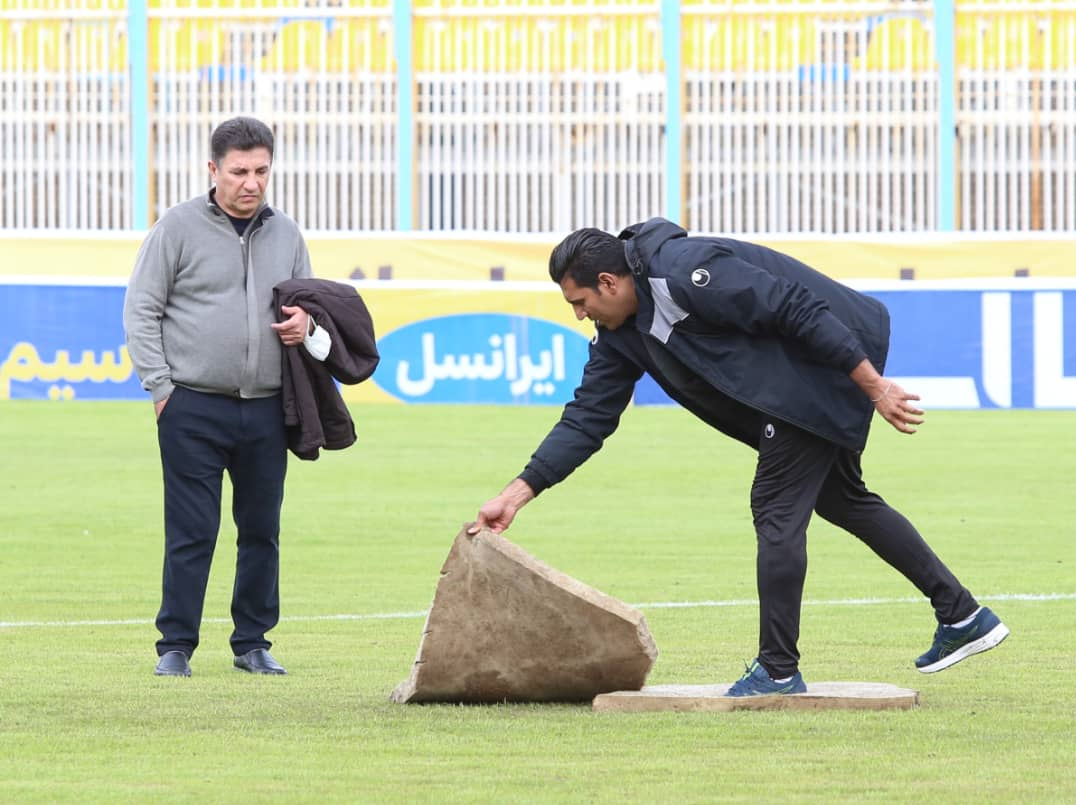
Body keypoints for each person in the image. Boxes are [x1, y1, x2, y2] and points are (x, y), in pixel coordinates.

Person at [471, 217, 1009, 697]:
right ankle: (961, 615)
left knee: (775, 509)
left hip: (822, 372)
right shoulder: (620, 335)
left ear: (608, 283)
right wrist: (518, 494)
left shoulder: (683, 270)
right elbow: (587, 418)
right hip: (803, 391)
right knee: (845, 501)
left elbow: (796, 307)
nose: (580, 315)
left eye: (580, 302)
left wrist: (873, 386)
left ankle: (777, 670)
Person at [124, 116, 329, 677]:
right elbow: (141, 310)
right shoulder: (176, 229)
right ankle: (175, 647)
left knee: (262, 528)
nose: (252, 182)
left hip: (267, 406)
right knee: (192, 530)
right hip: (191, 405)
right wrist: (162, 389)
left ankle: (253, 644)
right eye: (239, 171)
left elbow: (309, 306)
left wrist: (303, 326)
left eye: (262, 170)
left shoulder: (286, 234)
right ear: (212, 169)